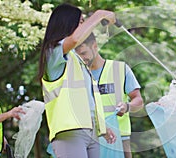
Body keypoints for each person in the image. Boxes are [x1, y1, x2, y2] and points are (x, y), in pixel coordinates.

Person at [38, 3, 117, 158]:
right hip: (69, 132)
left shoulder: (77, 59)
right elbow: (74, 39)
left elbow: (87, 100)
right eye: (81, 22)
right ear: (67, 23)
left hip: (92, 131)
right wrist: (99, 14)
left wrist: (101, 126)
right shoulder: (53, 53)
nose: (84, 26)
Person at [75, 33, 144, 158]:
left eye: (84, 53)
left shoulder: (120, 69)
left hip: (120, 138)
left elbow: (138, 100)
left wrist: (127, 106)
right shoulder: (78, 74)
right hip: (90, 139)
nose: (81, 58)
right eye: (78, 55)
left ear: (95, 46)